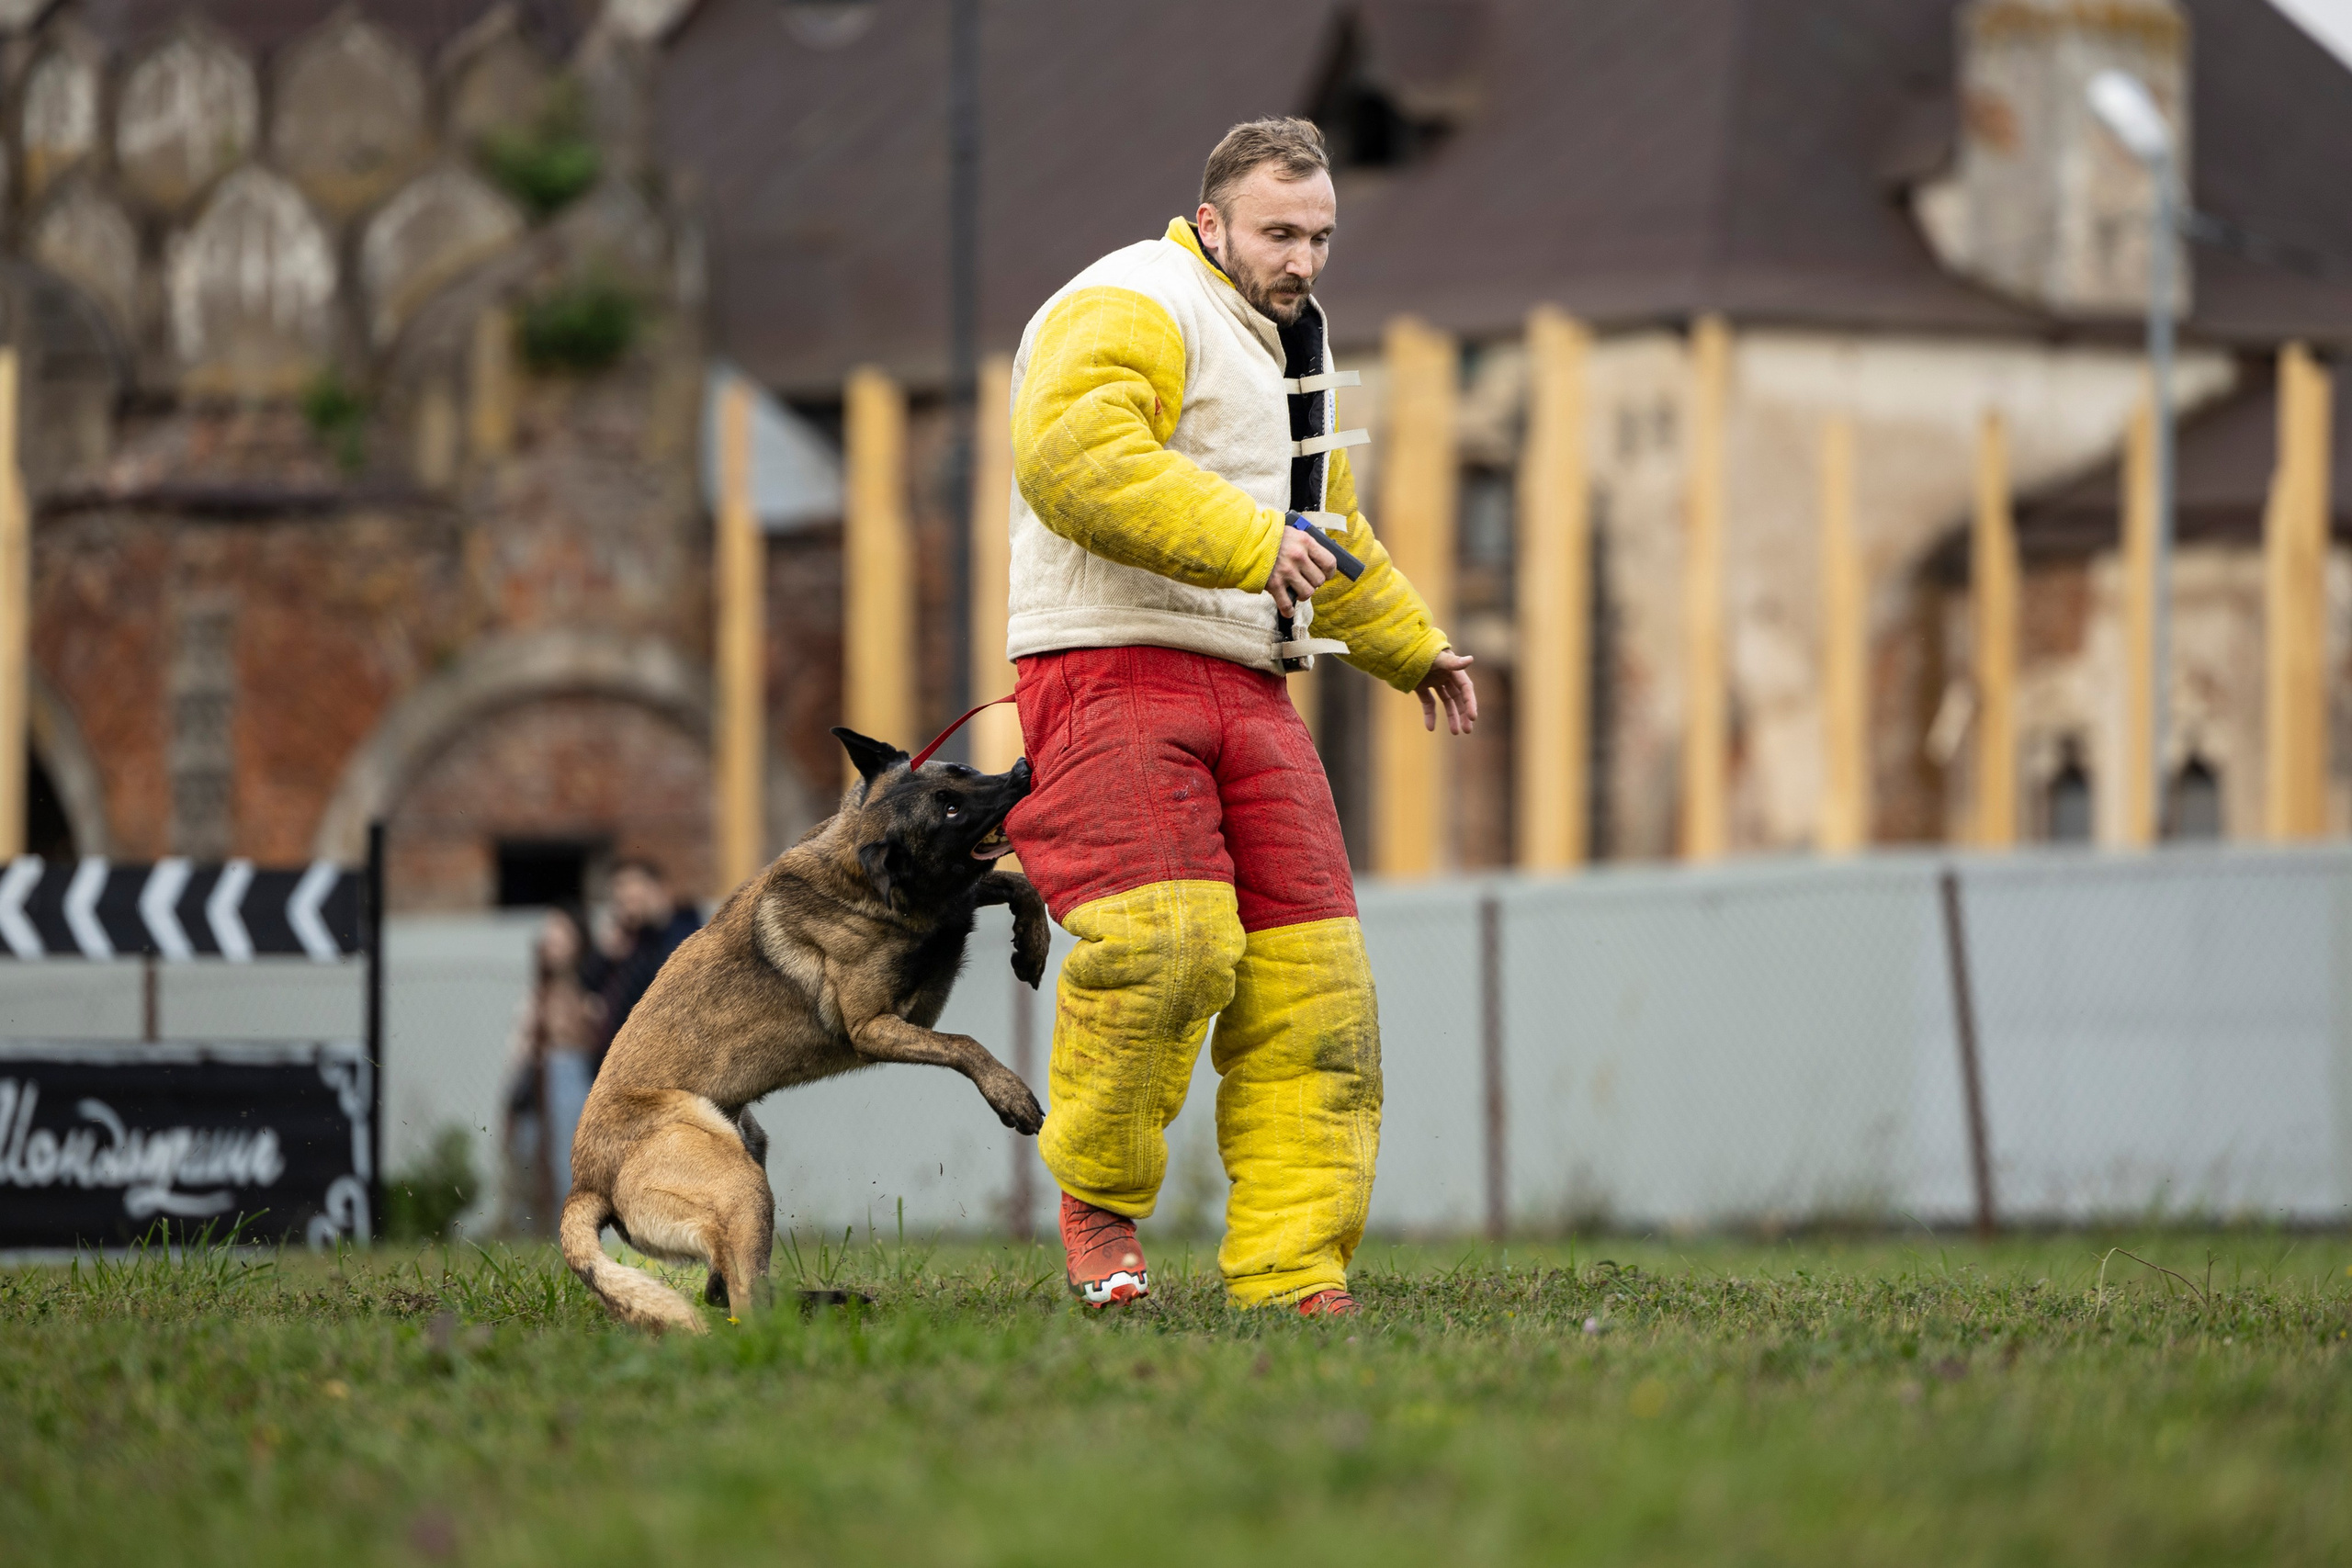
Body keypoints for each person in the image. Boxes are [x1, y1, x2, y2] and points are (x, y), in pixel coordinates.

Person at [1002, 117, 1477, 1316]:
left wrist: (1412, 645)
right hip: (1107, 668)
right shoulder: (1130, 296)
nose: (1304, 258)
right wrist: (1252, 541)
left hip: (1253, 688)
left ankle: (1293, 1270)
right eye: (1280, 231)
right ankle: (1097, 1206)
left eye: (1320, 234)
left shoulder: (1297, 352)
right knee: (1166, 944)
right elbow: (1074, 457)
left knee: (1316, 989)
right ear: (1210, 220)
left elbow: (1330, 535)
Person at [499, 906, 605, 1232]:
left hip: (575, 1080)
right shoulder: (539, 991)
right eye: (548, 933)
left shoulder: (590, 988)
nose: (551, 940)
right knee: (528, 1164)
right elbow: (520, 1049)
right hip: (536, 1088)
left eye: (560, 933)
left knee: (569, 1166)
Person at [591, 857, 702, 1076]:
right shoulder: (631, 942)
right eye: (619, 898)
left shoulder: (684, 929)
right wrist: (607, 953)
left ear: (658, 889)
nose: (625, 905)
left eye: (631, 894)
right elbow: (589, 985)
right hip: (625, 1064)